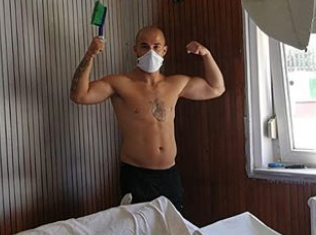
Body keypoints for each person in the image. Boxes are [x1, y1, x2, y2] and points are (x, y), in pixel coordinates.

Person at [70, 26, 225, 211]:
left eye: (156, 46)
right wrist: (89, 55)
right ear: (135, 50)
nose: (150, 52)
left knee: (172, 228)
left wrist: (206, 55)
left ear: (164, 50)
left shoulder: (175, 84)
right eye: (144, 46)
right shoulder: (120, 84)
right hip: (137, 176)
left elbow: (216, 88)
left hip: (169, 174)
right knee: (137, 227)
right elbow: (80, 96)